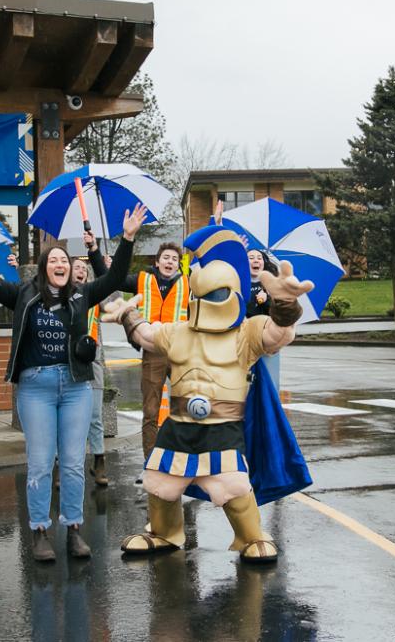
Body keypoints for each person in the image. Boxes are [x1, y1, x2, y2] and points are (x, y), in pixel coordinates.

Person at [102, 226, 313, 562]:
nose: (208, 302)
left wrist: (286, 302)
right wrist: (127, 313)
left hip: (223, 426)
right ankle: (164, 533)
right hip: (179, 425)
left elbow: (280, 333)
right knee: (159, 480)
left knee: (231, 486)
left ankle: (251, 537)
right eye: (202, 295)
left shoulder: (247, 333)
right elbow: (145, 334)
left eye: (216, 295)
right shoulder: (178, 332)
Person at [0, 204, 146, 562]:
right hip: (35, 387)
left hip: (75, 387)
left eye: (64, 261)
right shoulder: (23, 294)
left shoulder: (82, 296)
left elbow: (113, 281)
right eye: (53, 260)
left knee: (71, 462)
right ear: (43, 268)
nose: (60, 264)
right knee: (39, 462)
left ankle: (73, 530)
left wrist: (128, 238)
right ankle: (39, 531)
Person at [90, 240, 189, 459]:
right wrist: (96, 254)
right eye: (166, 258)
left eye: (174, 259)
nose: (170, 262)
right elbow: (110, 281)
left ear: (179, 264)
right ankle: (151, 463)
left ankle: (183, 460)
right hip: (153, 351)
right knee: (151, 412)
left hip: (181, 351)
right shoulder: (143, 280)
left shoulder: (188, 283)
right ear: (157, 261)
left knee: (187, 408)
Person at [70, 241, 117, 487]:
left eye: (83, 269)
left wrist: (107, 273)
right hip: (67, 359)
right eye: (76, 267)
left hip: (93, 358)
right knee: (68, 416)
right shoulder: (59, 294)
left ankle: (99, 461)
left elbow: (114, 304)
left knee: (95, 415)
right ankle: (62, 463)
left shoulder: (94, 293)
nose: (80, 271)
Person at [246, 249, 282, 390]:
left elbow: (278, 315)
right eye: (251, 257)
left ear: (263, 263)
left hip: (266, 343)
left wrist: (266, 301)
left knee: (266, 382)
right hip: (245, 341)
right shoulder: (239, 285)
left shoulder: (271, 286)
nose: (256, 260)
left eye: (259, 258)